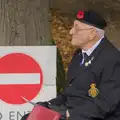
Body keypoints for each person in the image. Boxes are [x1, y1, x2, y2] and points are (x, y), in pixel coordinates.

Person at [21, 10, 120, 120]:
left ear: (92, 33)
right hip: (72, 113)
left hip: (92, 116)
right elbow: (70, 93)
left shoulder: (112, 59)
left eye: (77, 28)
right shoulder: (79, 55)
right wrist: (48, 105)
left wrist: (69, 114)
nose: (71, 32)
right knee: (29, 118)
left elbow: (105, 105)